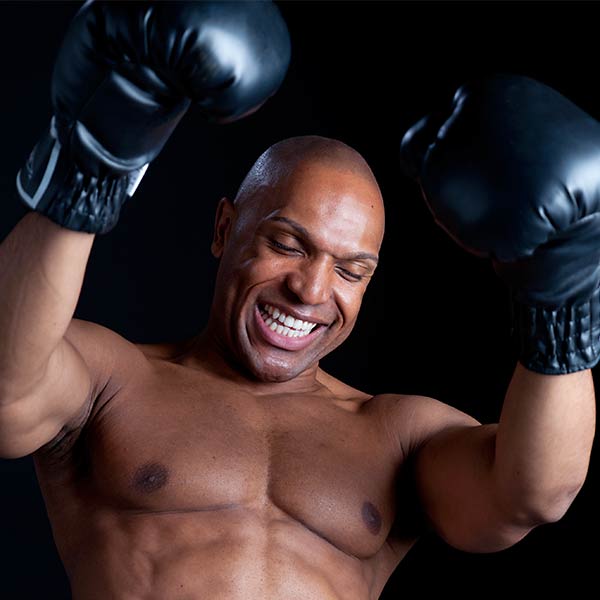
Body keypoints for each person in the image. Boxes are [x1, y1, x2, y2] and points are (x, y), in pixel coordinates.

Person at [0, 2, 596, 600]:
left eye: (351, 271)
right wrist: (93, 166)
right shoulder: (114, 380)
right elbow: (8, 391)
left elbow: (534, 493)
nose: (311, 291)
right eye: (286, 244)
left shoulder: (395, 436)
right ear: (223, 228)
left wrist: (563, 293)